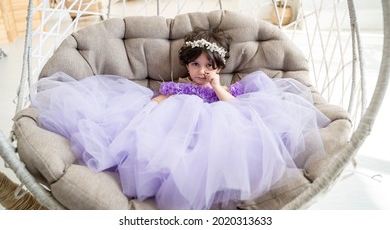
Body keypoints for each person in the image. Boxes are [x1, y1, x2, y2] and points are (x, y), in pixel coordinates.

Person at [30, 28, 330, 210]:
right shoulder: (180, 87)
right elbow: (157, 102)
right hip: (178, 135)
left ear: (219, 68)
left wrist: (216, 87)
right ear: (186, 65)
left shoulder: (224, 88)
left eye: (209, 66)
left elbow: (236, 107)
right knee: (177, 116)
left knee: (223, 135)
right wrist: (150, 109)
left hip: (216, 134)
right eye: (196, 64)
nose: (202, 71)